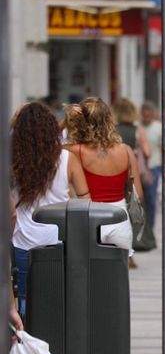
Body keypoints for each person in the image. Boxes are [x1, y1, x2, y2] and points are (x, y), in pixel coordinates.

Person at [11, 102, 90, 316]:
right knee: (57, 301)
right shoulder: (68, 158)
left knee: (26, 301)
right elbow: (85, 200)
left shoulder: (12, 160)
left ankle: (28, 342)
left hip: (23, 239)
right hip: (58, 238)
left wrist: (19, 116)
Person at [64, 97, 144, 260]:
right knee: (117, 281)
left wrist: (65, 122)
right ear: (109, 120)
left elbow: (44, 145)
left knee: (87, 280)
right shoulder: (126, 150)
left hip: (87, 220)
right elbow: (139, 195)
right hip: (119, 221)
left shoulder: (74, 151)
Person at [113, 98, 154, 253]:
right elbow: (148, 152)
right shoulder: (137, 130)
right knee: (137, 204)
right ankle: (139, 240)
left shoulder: (112, 130)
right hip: (132, 172)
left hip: (115, 171)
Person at [140, 101, 163, 246]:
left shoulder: (158, 128)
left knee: (151, 199)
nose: (147, 116)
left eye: (149, 114)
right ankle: (142, 231)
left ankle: (150, 229)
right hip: (138, 168)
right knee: (140, 201)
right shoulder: (137, 126)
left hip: (154, 167)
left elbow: (162, 148)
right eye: (144, 113)